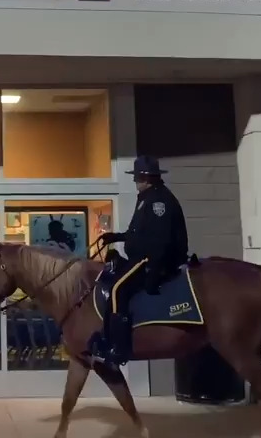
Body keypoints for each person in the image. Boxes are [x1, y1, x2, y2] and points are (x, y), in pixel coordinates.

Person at [88, 156, 189, 367]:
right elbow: (140, 233)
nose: (135, 182)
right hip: (140, 256)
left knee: (117, 289)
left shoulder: (159, 201)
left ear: (146, 178)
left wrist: (152, 270)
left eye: (137, 178)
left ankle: (120, 347)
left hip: (150, 259)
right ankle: (108, 336)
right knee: (109, 278)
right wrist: (116, 237)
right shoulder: (147, 197)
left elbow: (159, 240)